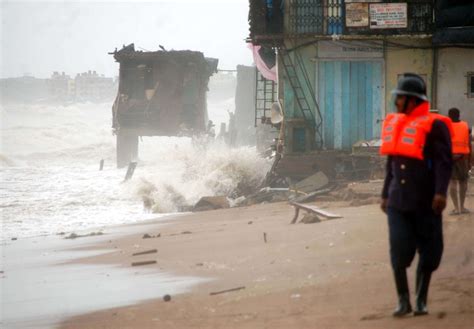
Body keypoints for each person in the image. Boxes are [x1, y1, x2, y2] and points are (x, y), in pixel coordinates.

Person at [380, 73, 453, 317]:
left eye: (399, 98)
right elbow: (391, 162)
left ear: (411, 100)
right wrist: (384, 194)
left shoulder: (435, 126)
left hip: (427, 202)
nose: (396, 103)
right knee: (399, 249)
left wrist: (441, 192)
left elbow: (444, 163)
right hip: (398, 201)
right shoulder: (396, 124)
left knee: (430, 252)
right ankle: (403, 300)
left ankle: (421, 299)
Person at [447, 108, 472, 215]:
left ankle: (456, 208)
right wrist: (470, 161)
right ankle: (462, 207)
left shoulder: (446, 127)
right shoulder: (465, 126)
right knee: (463, 182)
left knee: (452, 182)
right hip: (463, 158)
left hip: (450, 158)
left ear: (449, 115)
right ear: (459, 115)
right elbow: (469, 144)